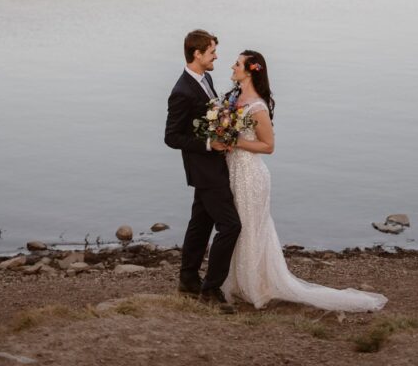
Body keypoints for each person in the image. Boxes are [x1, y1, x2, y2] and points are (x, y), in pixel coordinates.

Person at [222, 49, 387, 312]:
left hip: (252, 176)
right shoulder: (234, 98)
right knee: (239, 227)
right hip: (234, 172)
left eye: (238, 63)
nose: (232, 66)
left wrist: (236, 141)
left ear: (251, 70)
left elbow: (268, 146)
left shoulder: (258, 107)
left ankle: (256, 285)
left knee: (252, 228)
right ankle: (241, 281)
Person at [164, 29, 241, 313]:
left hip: (214, 166)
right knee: (231, 226)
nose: (216, 57)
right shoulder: (181, 92)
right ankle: (210, 290)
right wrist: (209, 143)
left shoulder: (205, 78)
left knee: (201, 223)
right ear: (197, 54)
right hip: (204, 168)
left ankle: (187, 279)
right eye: (211, 52)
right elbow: (171, 137)